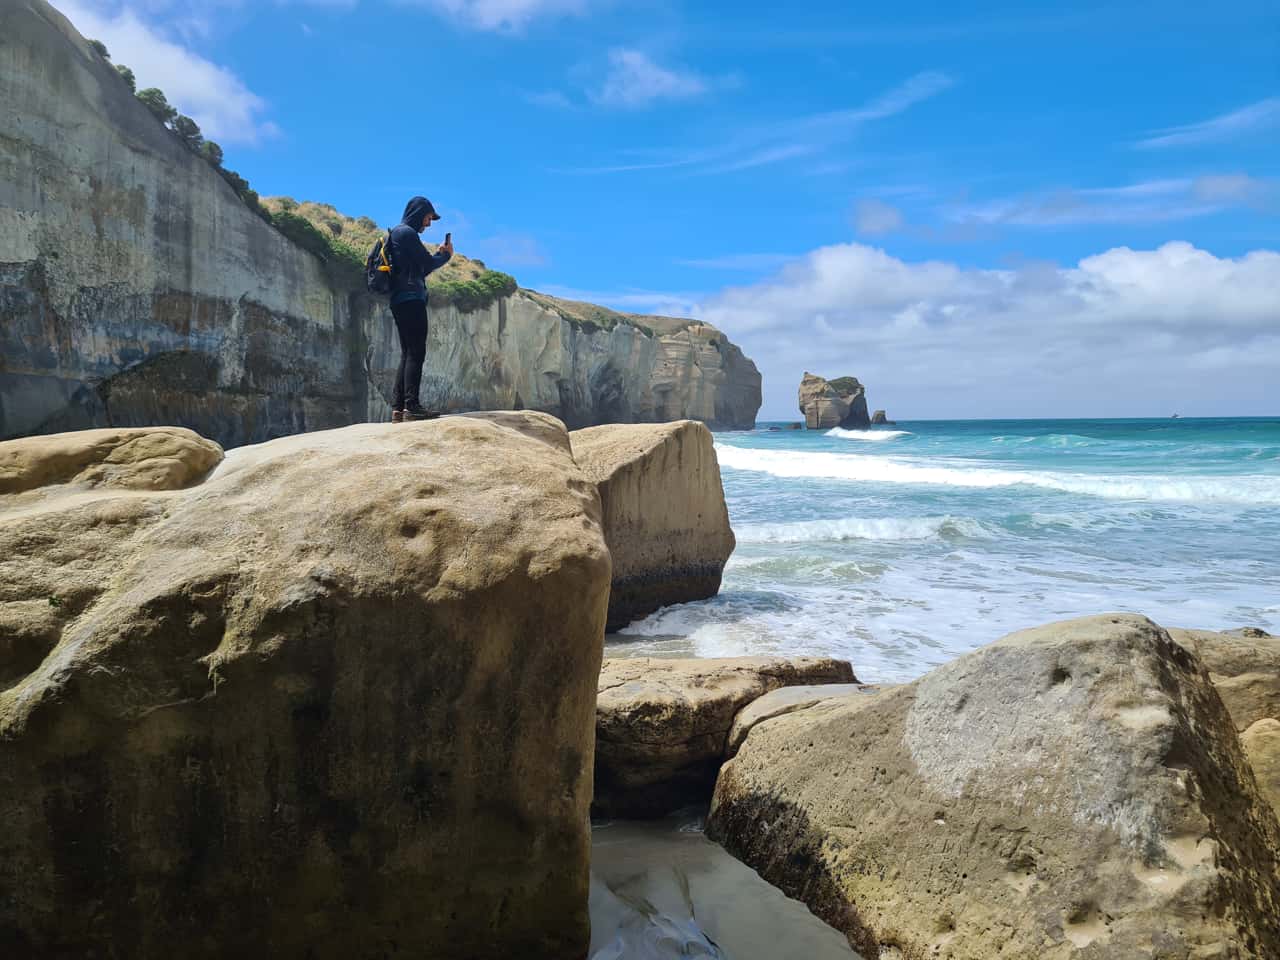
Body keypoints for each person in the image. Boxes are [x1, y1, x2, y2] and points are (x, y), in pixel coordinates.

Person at [387, 196, 453, 422]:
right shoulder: (407, 234)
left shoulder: (397, 234)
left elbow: (418, 271)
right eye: (428, 217)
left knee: (407, 353)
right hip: (411, 299)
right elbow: (427, 264)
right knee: (416, 352)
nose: (429, 223)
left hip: (399, 298)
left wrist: (437, 258)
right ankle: (412, 406)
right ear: (418, 213)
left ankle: (399, 408)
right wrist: (444, 255)